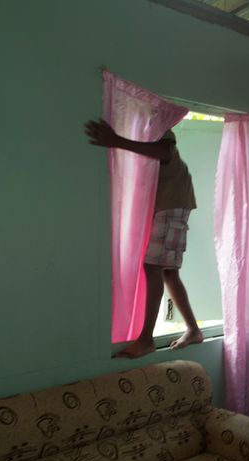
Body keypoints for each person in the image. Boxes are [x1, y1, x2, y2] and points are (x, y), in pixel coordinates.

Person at [84, 119, 204, 358]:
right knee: (168, 271)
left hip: (172, 202)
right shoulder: (146, 128)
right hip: (173, 202)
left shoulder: (157, 126)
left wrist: (115, 140)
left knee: (153, 267)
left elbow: (164, 151)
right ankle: (193, 330)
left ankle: (147, 339)